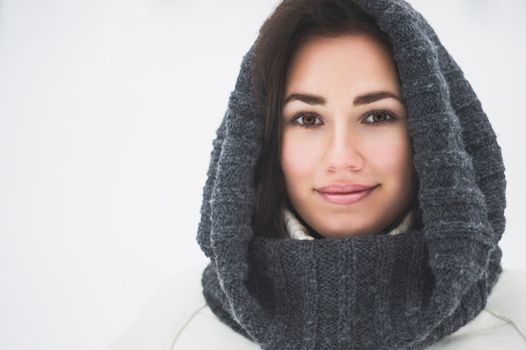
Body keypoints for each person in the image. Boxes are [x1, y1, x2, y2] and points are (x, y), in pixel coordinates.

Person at [109, 0, 526, 349]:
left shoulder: (515, 324)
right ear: (262, 141)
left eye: (377, 115)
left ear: (435, 133)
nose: (342, 157)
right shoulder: (176, 330)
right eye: (308, 119)